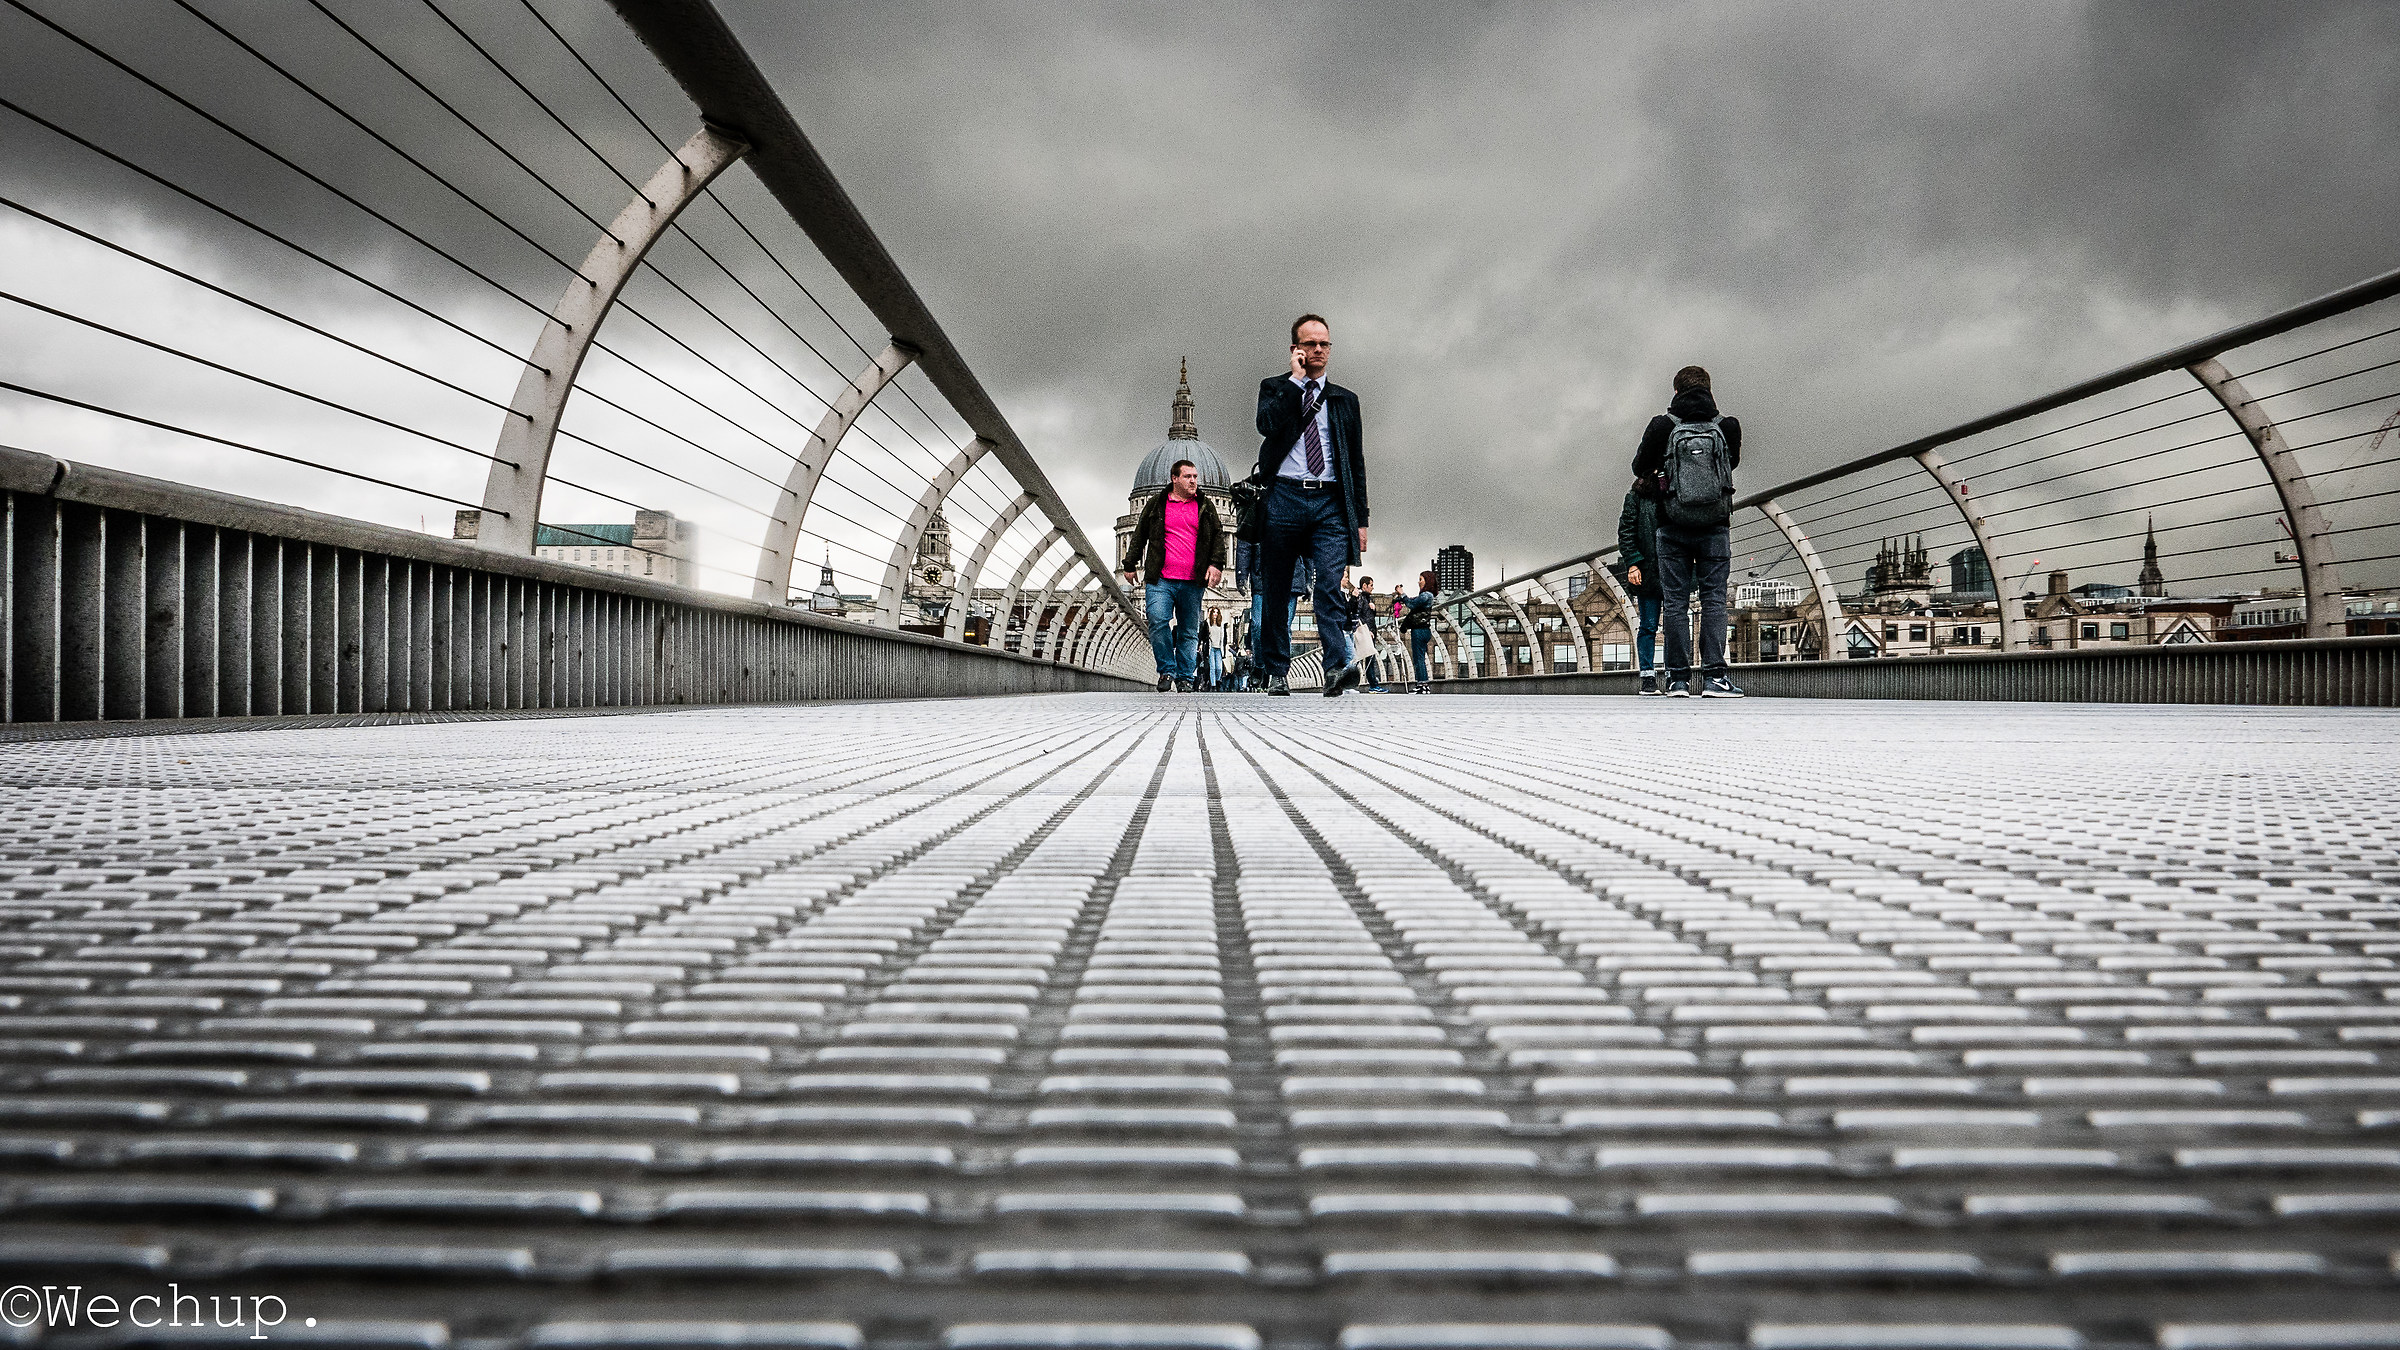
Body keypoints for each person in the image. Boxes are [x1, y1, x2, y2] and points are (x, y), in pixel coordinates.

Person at [1254, 314, 1369, 697]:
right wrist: (1295, 383)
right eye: (1310, 343)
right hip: (1284, 496)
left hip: (1330, 502)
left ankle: (1337, 665)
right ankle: (1276, 670)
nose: (1318, 350)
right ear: (1296, 350)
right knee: (1275, 588)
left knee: (1331, 585)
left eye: (1324, 344)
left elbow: (1356, 462)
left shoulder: (1344, 400)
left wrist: (1362, 519)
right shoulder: (1274, 389)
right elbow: (1266, 425)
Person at [1632, 365, 1744, 698]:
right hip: (1714, 525)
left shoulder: (1663, 425)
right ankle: (1714, 679)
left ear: (1676, 391)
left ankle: (1678, 680)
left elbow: (1639, 467)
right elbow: (1731, 464)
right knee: (1713, 602)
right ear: (1709, 390)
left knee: (1676, 604)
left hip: (1672, 525)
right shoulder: (1727, 426)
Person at [1120, 457, 1226, 692]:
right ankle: (1167, 670)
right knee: (1158, 621)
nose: (1194, 481)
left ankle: (1186, 676)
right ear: (1174, 478)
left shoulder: (1205, 506)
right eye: (1188, 476)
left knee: (1189, 630)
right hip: (1161, 578)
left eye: (1196, 477)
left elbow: (1218, 536)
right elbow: (1140, 534)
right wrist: (1130, 563)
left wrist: (1216, 564)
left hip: (1193, 579)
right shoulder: (1158, 504)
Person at [1615, 474, 1667, 695]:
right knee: (1648, 626)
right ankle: (1648, 677)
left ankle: (1675, 675)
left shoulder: (1679, 489)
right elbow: (1625, 531)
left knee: (1676, 624)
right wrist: (1633, 563)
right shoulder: (1636, 497)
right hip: (1647, 571)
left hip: (1675, 568)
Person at [1398, 570, 1439, 693]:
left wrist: (1402, 594)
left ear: (1427, 581)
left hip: (1419, 630)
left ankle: (1422, 684)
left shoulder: (1426, 595)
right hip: (1424, 629)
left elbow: (1411, 604)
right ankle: (1423, 684)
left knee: (1418, 658)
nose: (1418, 582)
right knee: (1420, 657)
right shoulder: (1428, 596)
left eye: (1421, 579)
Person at [1354, 575, 1385, 691]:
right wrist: (1367, 631)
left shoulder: (1367, 599)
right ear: (1364, 585)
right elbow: (1358, 615)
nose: (1373, 588)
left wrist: (1374, 609)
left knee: (1368, 658)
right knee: (1369, 658)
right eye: (1371, 585)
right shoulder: (1362, 598)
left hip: (1370, 632)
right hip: (1366, 633)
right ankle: (1373, 685)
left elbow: (1369, 615)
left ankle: (1373, 684)